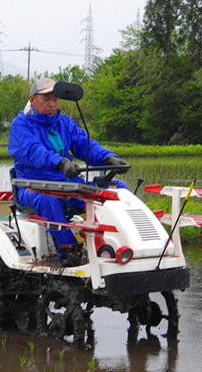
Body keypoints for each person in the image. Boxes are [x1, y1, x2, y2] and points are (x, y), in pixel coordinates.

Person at [8, 78, 128, 265]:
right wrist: (60, 161)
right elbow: (32, 151)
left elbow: (85, 145)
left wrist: (108, 158)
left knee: (116, 188)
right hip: (33, 187)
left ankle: (120, 245)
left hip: (68, 185)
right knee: (48, 199)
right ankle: (69, 253)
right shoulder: (20, 125)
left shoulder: (65, 123)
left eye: (55, 99)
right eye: (46, 98)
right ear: (32, 100)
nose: (52, 104)